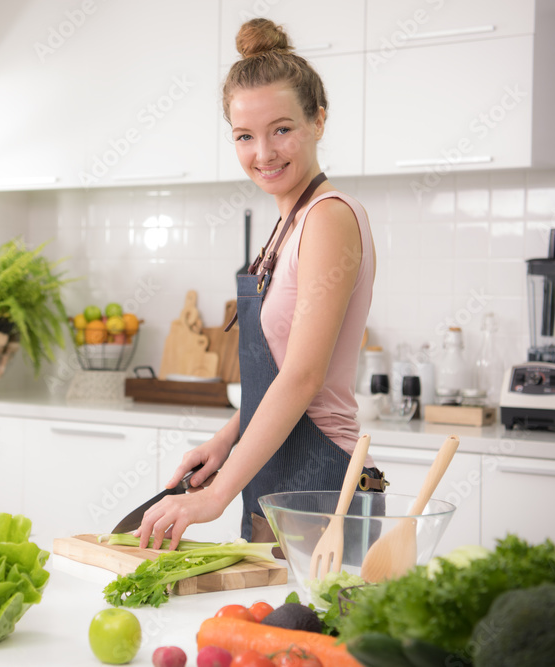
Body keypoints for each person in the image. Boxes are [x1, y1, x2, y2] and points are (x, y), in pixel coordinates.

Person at [138, 18, 384, 551]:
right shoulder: (287, 223)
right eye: (245, 136)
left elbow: (301, 377)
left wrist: (214, 497)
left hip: (321, 487)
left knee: (307, 634)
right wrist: (226, 442)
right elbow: (272, 370)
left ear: (319, 120)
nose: (263, 153)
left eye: (282, 129)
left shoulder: (327, 218)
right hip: (271, 476)